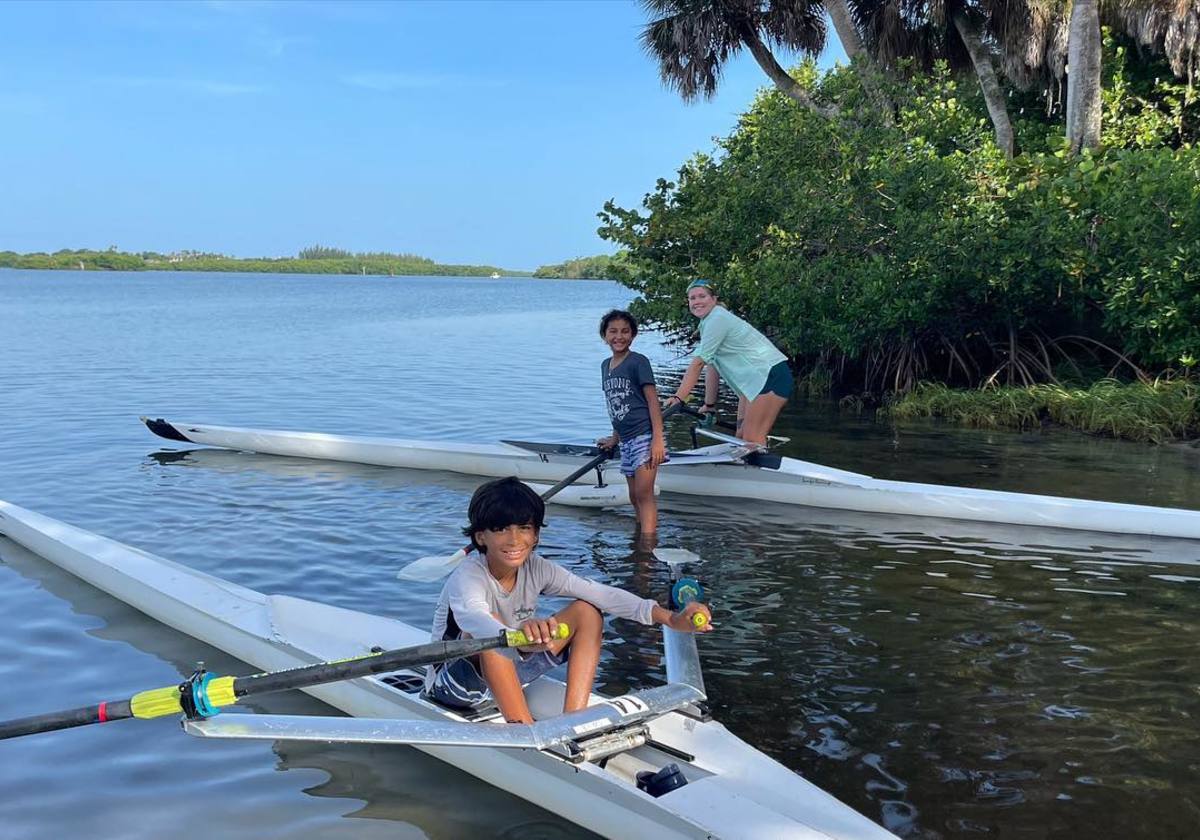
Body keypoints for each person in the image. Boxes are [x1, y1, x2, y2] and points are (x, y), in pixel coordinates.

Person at [424, 477, 711, 723]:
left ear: (535, 534)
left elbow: (602, 594)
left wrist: (670, 619)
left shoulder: (537, 568)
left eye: (523, 528)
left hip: (513, 664)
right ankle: (522, 731)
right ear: (480, 537)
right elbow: (473, 618)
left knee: (587, 611)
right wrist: (515, 638)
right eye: (501, 529)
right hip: (454, 686)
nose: (514, 540)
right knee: (488, 632)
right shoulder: (469, 575)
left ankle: (575, 721)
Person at [664, 279, 792, 445]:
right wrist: (709, 405)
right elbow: (712, 366)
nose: (696, 302)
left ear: (714, 299)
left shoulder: (717, 319)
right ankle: (748, 465)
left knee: (751, 439)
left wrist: (678, 397)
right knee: (740, 437)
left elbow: (697, 364)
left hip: (769, 376)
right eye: (692, 298)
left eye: (702, 296)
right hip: (752, 383)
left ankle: (759, 463)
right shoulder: (708, 322)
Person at [595, 309, 668, 534]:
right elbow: (615, 407)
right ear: (604, 335)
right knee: (634, 495)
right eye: (613, 331)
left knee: (645, 494)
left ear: (633, 335)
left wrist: (657, 440)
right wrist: (614, 438)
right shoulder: (605, 366)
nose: (619, 336)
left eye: (625, 331)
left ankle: (647, 546)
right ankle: (641, 535)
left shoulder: (638, 362)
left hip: (645, 436)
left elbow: (652, 402)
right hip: (626, 439)